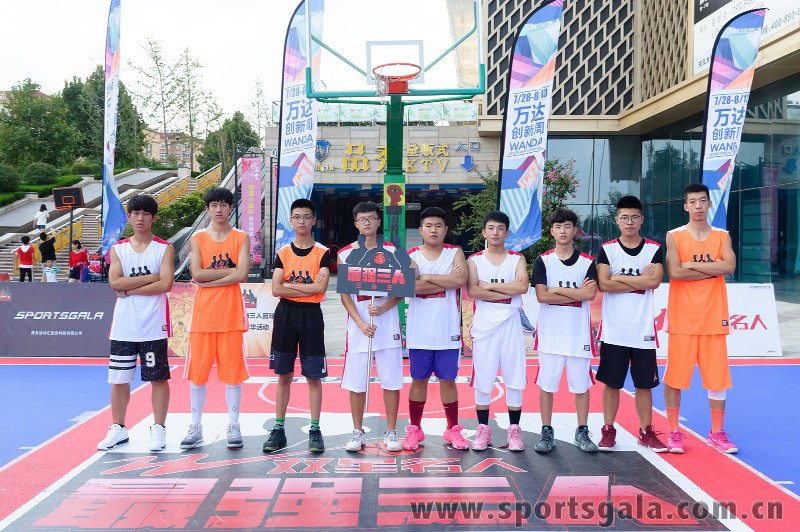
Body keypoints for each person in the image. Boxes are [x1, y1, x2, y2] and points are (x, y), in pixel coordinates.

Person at [98, 194, 175, 452]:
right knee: (119, 379)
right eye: (135, 213)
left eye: (145, 214)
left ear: (154, 218)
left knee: (158, 378)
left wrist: (129, 289)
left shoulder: (164, 248)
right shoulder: (118, 249)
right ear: (129, 217)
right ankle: (118, 427)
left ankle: (159, 428)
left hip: (153, 325)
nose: (140, 218)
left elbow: (165, 284)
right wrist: (151, 278)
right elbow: (115, 282)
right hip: (124, 327)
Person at [664, 183, 737, 454]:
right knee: (675, 379)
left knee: (718, 379)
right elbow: (675, 272)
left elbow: (730, 266)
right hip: (683, 319)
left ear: (709, 204)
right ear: (686, 206)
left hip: (713, 318)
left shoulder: (722, 236)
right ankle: (674, 431)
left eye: (702, 201)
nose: (698, 206)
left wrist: (691, 264)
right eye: (693, 201)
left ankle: (717, 432)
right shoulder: (674, 236)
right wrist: (713, 268)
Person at [595, 195, 667, 452]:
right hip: (614, 330)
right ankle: (608, 429)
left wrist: (618, 278)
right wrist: (639, 281)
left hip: (643, 330)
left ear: (641, 220)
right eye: (624, 217)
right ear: (617, 220)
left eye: (634, 217)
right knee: (612, 383)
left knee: (644, 384)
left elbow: (654, 282)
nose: (629, 222)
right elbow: (603, 284)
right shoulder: (608, 249)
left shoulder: (653, 249)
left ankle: (646, 431)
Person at [182, 187, 251, 450]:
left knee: (232, 375)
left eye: (223, 204)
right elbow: (197, 273)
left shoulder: (241, 237)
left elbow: (242, 274)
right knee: (197, 375)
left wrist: (211, 280)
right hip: (203, 317)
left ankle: (234, 424)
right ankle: (195, 426)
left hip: (231, 316)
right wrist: (228, 272)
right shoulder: (198, 237)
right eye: (214, 205)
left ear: (231, 207)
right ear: (207, 209)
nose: (219, 209)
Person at [262, 199, 330, 453]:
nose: (302, 221)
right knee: (284, 374)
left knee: (314, 376)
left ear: (314, 221)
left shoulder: (322, 252)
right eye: (297, 217)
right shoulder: (283, 252)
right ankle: (278, 429)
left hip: (312, 315)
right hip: (286, 314)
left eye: (306, 217)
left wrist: (290, 285)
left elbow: (321, 288)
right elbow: (276, 289)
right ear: (290, 220)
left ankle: (315, 429)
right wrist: (308, 287)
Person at [338, 201, 404, 452]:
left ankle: (391, 431)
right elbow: (345, 295)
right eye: (362, 219)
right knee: (357, 382)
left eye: (371, 218)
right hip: (360, 329)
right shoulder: (346, 254)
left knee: (391, 381)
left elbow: (402, 289)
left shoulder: (393, 252)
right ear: (356, 223)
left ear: (378, 221)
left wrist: (384, 308)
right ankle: (357, 431)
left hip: (387, 325)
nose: (367, 222)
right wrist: (360, 322)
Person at [402, 207, 470, 451]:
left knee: (448, 380)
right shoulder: (411, 254)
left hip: (447, 331)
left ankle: (452, 429)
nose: (434, 230)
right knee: (418, 380)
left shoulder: (455, 252)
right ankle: (415, 429)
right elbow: (410, 286)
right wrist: (444, 279)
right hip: (420, 332)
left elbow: (460, 280)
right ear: (421, 230)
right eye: (429, 226)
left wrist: (425, 278)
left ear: (445, 229)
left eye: (438, 226)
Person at [532, 208, 599, 453]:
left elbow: (589, 295)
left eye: (567, 226)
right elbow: (542, 296)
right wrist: (576, 293)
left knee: (581, 386)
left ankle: (582, 431)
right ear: (552, 231)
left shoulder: (587, 262)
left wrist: (556, 291)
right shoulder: (543, 261)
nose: (563, 231)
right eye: (558, 227)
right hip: (550, 335)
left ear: (574, 230)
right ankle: (546, 431)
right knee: (547, 386)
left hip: (578, 335)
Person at [466, 211, 529, 451]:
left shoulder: (517, 259)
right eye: (491, 228)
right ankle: (483, 430)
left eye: (500, 228)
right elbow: (474, 291)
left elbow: (522, 287)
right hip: (485, 325)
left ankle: (514, 431)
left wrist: (489, 286)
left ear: (507, 232)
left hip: (510, 323)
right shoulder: (475, 260)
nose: (495, 233)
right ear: (484, 232)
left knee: (514, 377)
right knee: (483, 378)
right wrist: (506, 290)